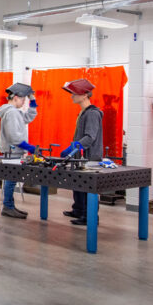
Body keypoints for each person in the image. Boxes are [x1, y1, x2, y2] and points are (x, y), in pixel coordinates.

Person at [60, 78, 104, 227]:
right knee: (77, 183)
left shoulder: (92, 114)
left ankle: (89, 216)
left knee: (88, 187)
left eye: (74, 93)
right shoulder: (83, 113)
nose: (72, 96)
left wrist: (72, 148)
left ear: (85, 95)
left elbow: (90, 137)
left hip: (90, 157)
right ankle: (78, 209)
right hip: (81, 157)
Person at [0, 82, 38, 219]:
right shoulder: (12, 113)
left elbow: (28, 117)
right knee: (11, 180)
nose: (24, 102)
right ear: (15, 98)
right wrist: (29, 147)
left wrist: (33, 101)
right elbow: (13, 137)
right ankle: (8, 207)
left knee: (12, 180)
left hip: (14, 152)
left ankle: (10, 205)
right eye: (23, 99)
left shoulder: (15, 112)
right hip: (12, 152)